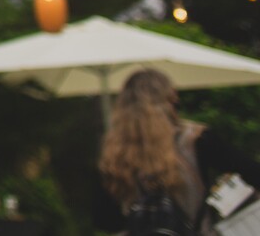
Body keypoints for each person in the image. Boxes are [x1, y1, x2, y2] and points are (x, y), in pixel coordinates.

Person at [97, 68, 260, 234]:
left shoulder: (114, 151)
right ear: (171, 99)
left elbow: (106, 221)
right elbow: (252, 172)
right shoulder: (195, 139)